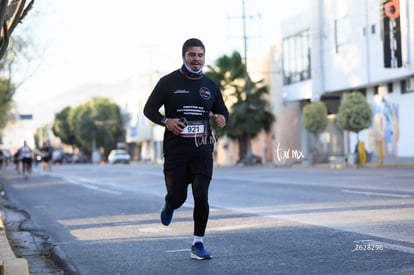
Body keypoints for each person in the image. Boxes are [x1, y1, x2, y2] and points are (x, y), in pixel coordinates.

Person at [144, 38, 229, 260]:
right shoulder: (168, 82)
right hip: (176, 151)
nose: (196, 59)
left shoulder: (210, 86)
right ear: (184, 55)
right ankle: (170, 203)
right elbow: (149, 109)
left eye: (200, 55)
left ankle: (197, 244)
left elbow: (222, 111)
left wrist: (222, 118)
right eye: (192, 55)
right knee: (179, 196)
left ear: (204, 57)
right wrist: (166, 122)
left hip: (202, 149)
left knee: (201, 194)